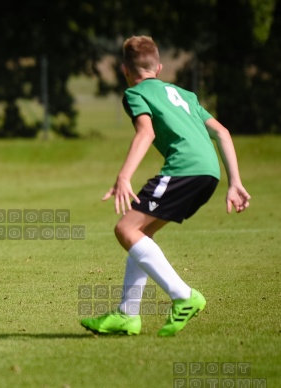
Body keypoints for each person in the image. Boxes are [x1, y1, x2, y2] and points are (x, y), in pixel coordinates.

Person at [81, 36, 251, 336]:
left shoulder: (135, 93)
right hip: (209, 174)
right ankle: (127, 315)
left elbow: (145, 133)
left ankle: (183, 296)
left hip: (184, 170)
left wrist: (123, 176)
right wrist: (234, 182)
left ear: (124, 70)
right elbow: (222, 133)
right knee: (141, 232)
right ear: (158, 67)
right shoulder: (186, 95)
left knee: (125, 230)